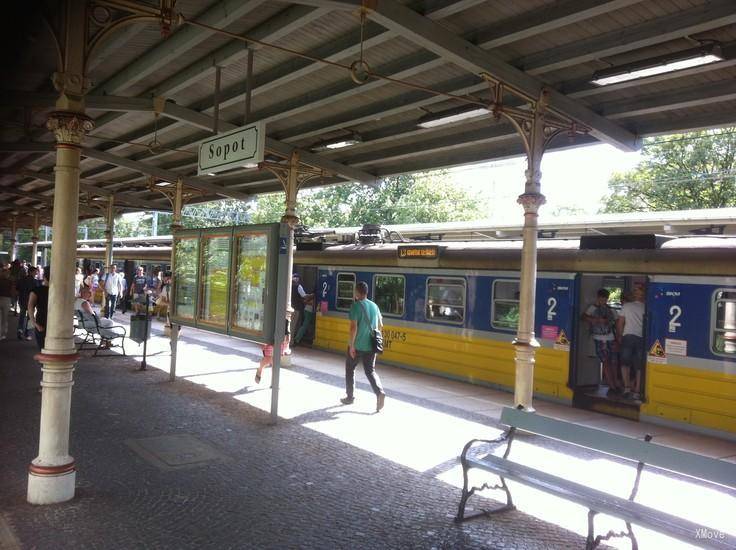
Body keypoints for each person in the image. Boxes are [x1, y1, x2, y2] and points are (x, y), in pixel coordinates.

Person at [341, 281, 386, 412]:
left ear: (357, 292)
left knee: (350, 369)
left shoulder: (355, 306)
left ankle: (350, 397)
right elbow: (380, 325)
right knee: (370, 371)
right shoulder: (374, 306)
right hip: (371, 346)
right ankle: (379, 392)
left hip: (358, 345)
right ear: (366, 292)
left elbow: (353, 327)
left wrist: (352, 345)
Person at [583, 288, 621, 395]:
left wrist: (618, 338)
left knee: (612, 362)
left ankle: (614, 384)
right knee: (607, 362)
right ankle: (612, 385)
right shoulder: (593, 308)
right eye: (602, 298)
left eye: (605, 299)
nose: (604, 300)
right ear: (598, 298)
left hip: (609, 338)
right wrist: (595, 320)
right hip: (601, 338)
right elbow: (584, 317)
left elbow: (617, 324)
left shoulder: (611, 310)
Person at [617, 285, 646, 400]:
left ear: (634, 295)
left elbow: (620, 323)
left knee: (625, 364)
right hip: (641, 338)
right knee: (639, 366)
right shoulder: (646, 307)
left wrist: (619, 336)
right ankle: (637, 390)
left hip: (628, 336)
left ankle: (627, 388)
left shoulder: (626, 306)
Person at [255, 315, 291, 384]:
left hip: (280, 341)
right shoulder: (268, 316)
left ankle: (273, 382)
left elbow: (287, 331)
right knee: (268, 359)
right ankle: (260, 369)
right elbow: (262, 328)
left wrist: (287, 341)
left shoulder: (284, 318)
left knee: (275, 362)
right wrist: (262, 341)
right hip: (269, 340)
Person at [27, 266, 50, 350]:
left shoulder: (36, 290)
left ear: (44, 277)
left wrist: (35, 323)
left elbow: (30, 307)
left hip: (41, 323)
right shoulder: (61, 292)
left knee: (43, 350)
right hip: (58, 324)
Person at [16, 265, 39, 341]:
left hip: (22, 300)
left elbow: (17, 289)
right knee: (30, 318)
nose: (36, 273)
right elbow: (36, 293)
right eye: (35, 271)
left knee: (22, 317)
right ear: (31, 272)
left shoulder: (22, 279)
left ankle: (20, 330)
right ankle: (27, 333)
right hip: (31, 302)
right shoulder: (35, 281)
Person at [290, 273, 308, 345]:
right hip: (296, 309)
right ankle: (290, 342)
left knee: (288, 325)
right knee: (293, 326)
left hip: (288, 308)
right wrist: (311, 295)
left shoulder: (289, 285)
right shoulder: (298, 286)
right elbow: (304, 296)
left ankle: (286, 341)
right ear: (297, 279)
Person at [0, 268, 12, 340]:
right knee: (4, 318)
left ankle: (2, 333)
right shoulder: (10, 281)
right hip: (7, 299)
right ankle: (3, 333)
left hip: (5, 298)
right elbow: (13, 291)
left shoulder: (9, 281)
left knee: (3, 317)